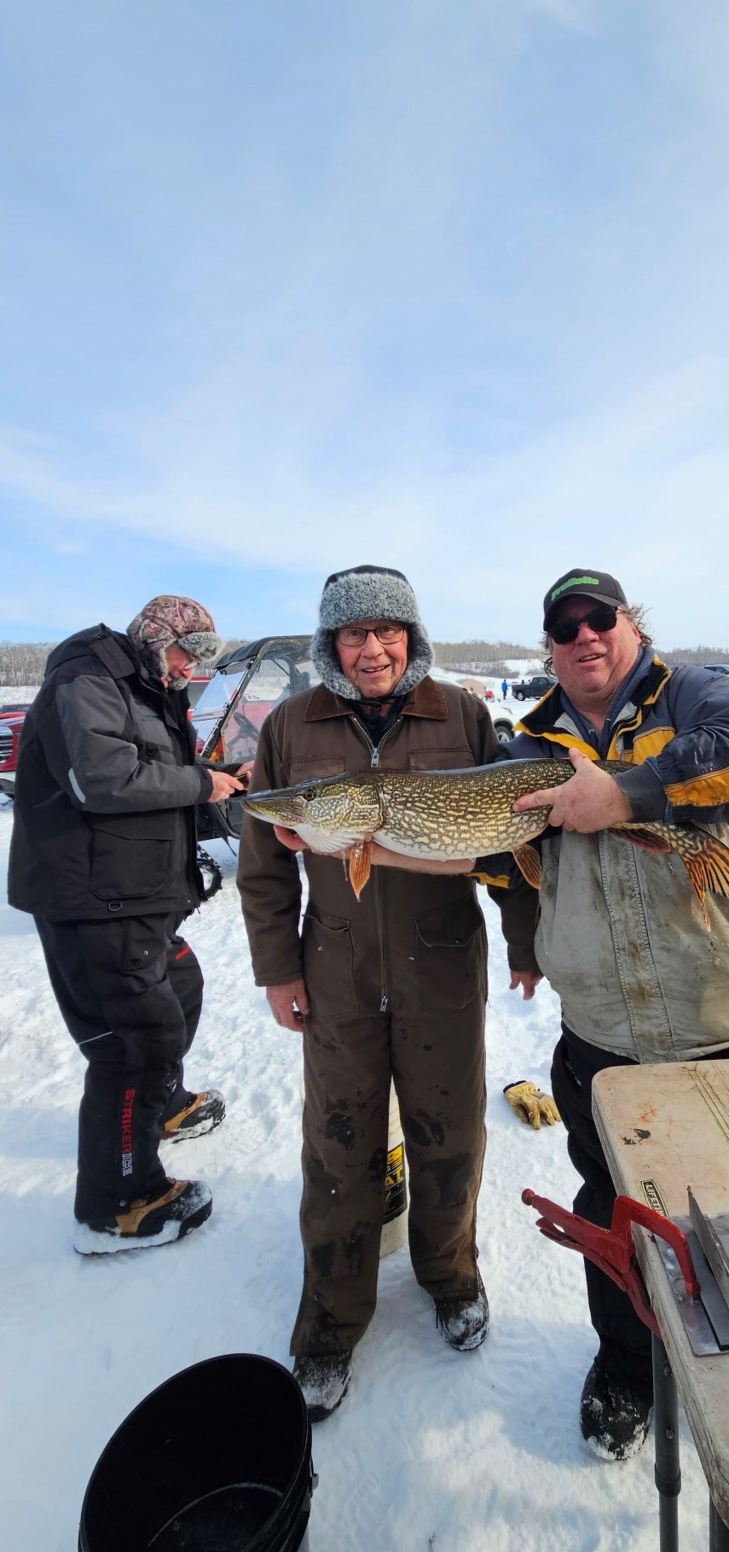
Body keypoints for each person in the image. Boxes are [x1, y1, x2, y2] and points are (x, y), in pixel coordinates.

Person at [349, 566, 729, 1461]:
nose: (583, 638)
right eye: (564, 629)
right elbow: (491, 856)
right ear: (550, 649)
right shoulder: (528, 747)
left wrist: (628, 793)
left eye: (598, 619)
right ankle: (628, 1365)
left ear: (628, 625)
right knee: (614, 1218)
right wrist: (376, 838)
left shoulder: (696, 697)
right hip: (604, 1030)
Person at [236, 564, 534, 1423]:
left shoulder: (463, 712)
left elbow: (511, 831)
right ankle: (330, 1323)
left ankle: (450, 1275)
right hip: (334, 971)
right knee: (339, 1145)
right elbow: (263, 864)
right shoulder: (293, 724)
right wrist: (277, 968)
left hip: (441, 965)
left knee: (449, 1134)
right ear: (332, 644)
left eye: (386, 632)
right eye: (353, 635)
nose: (372, 650)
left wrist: (522, 942)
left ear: (411, 635)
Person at [8, 596, 247, 1254]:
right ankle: (117, 1201)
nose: (189, 669)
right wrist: (201, 785)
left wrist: (217, 780)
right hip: (92, 897)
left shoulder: (147, 686)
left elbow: (160, 777)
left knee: (183, 986)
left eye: (200, 660)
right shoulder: (86, 678)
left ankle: (158, 1104)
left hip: (134, 895)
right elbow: (103, 779)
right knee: (134, 1042)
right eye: (184, 653)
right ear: (153, 637)